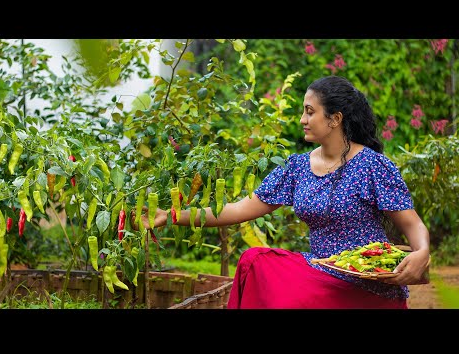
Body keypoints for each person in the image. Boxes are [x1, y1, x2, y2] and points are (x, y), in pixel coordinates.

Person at [144, 75, 430, 309]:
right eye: (303, 111)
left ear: (335, 119)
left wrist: (422, 252)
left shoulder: (373, 165)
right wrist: (169, 215)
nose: (302, 119)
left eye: (310, 111)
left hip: (368, 285)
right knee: (253, 261)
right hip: (321, 273)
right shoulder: (297, 167)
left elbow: (412, 223)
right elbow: (240, 208)